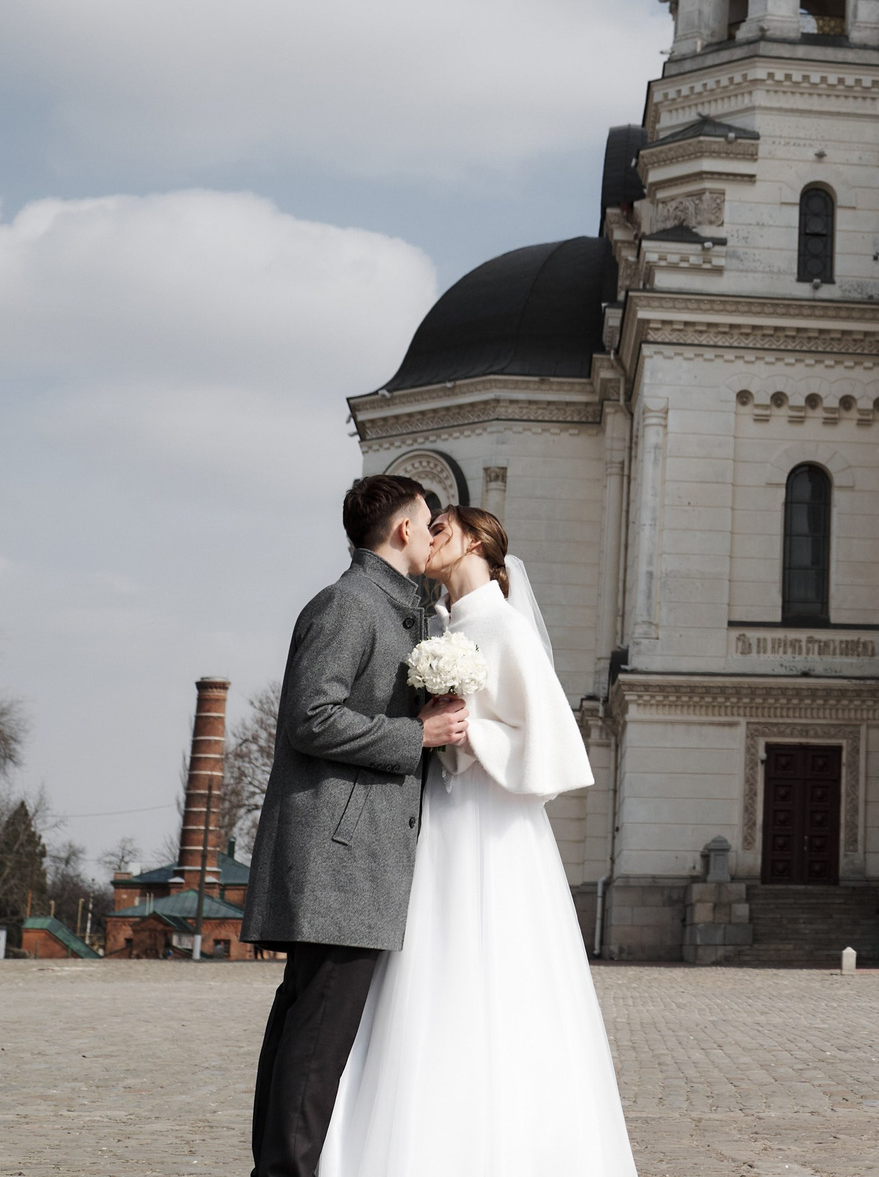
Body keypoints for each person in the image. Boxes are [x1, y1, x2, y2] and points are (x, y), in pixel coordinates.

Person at [319, 505, 636, 1177]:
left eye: (440, 530)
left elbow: (551, 746)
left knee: (492, 965)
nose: (426, 539)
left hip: (493, 828)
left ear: (473, 543)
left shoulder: (505, 628)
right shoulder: (436, 628)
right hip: (441, 815)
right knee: (429, 961)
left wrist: (474, 733)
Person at [244, 476, 467, 1177]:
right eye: (430, 524)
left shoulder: (401, 610)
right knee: (316, 1033)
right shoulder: (349, 603)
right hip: (341, 852)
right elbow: (310, 717)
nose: (436, 536)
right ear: (403, 530)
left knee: (305, 1023)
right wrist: (417, 733)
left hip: (358, 849)